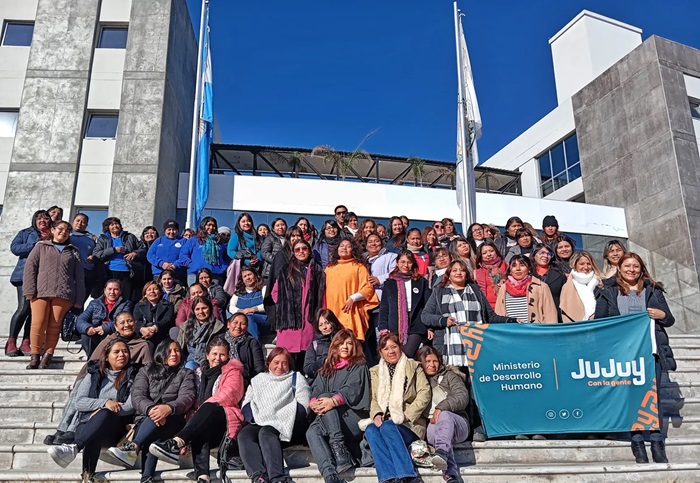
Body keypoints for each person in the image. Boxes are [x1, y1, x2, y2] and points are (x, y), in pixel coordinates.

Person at [594, 253, 675, 464]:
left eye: (636, 266)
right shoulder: (607, 291)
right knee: (631, 397)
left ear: (641, 269)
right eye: (627, 266)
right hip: (623, 353)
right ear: (619, 268)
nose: (631, 270)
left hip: (651, 352)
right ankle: (637, 441)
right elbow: (600, 323)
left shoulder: (653, 290)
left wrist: (662, 315)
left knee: (653, 396)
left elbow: (669, 319)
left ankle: (657, 441)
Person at [45, 312, 153, 447]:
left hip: (125, 379)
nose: (127, 325)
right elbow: (94, 363)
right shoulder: (108, 341)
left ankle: (72, 431)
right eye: (122, 322)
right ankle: (63, 429)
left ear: (135, 324)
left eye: (130, 321)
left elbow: (148, 369)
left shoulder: (143, 345)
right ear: (116, 326)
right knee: (81, 387)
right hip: (103, 375)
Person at [149, 338, 246, 483]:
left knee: (209, 407)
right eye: (214, 354)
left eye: (222, 355)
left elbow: (230, 394)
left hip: (225, 419)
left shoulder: (233, 372)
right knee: (200, 427)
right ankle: (203, 477)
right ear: (207, 355)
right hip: (204, 421)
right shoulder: (199, 374)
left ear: (228, 356)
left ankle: (176, 442)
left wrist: (203, 409)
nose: (218, 358)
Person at [47, 339, 138, 482]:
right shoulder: (94, 373)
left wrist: (102, 410)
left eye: (125, 351)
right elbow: (79, 402)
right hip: (87, 425)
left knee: (104, 415)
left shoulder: (134, 375)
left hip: (116, 430)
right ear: (106, 356)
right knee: (97, 424)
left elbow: (130, 406)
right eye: (116, 352)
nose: (122, 355)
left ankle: (76, 449)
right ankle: (87, 477)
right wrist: (105, 403)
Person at [107, 339, 196, 481]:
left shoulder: (186, 373)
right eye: (169, 351)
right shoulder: (145, 371)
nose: (174, 354)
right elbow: (137, 396)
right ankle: (146, 477)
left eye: (177, 350)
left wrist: (168, 408)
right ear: (161, 352)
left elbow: (187, 397)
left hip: (174, 419)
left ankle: (134, 449)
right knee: (154, 424)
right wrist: (152, 409)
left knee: (155, 423)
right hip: (146, 419)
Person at [361, 333, 430, 483]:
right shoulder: (374, 372)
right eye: (386, 349)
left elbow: (424, 393)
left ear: (400, 347)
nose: (391, 351)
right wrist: (376, 414)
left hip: (408, 425)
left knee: (387, 427)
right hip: (386, 422)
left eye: (394, 347)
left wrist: (406, 415)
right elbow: (372, 398)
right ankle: (389, 478)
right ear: (381, 352)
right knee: (371, 430)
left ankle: (408, 476)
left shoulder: (413, 366)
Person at [422, 260, 516, 364]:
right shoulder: (439, 292)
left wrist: (511, 320)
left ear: (466, 275)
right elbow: (425, 316)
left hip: (476, 348)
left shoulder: (476, 291)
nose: (458, 273)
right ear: (448, 275)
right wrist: (443, 320)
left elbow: (491, 317)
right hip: (449, 350)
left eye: (462, 270)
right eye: (454, 270)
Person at [239, 347, 311, 483]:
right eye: (276, 362)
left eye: (284, 363)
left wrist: (284, 417)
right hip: (260, 419)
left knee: (266, 432)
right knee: (244, 435)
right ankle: (259, 476)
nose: (280, 366)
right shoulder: (258, 380)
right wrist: (255, 418)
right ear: (269, 363)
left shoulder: (296, 378)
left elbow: (304, 405)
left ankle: (277, 477)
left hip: (286, 421)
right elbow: (246, 403)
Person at [306, 330, 370, 483]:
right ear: (334, 346)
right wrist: (313, 401)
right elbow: (316, 389)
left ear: (354, 346)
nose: (345, 347)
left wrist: (333, 401)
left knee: (326, 398)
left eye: (349, 343)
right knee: (312, 432)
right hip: (331, 419)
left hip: (353, 418)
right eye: (341, 343)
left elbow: (353, 389)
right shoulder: (327, 368)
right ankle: (330, 476)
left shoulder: (359, 366)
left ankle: (338, 446)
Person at [23, 220, 85, 369]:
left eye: (67, 230)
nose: (63, 232)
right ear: (52, 230)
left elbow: (79, 276)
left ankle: (47, 356)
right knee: (38, 324)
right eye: (60, 229)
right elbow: (30, 268)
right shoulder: (41, 246)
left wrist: (79, 298)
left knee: (54, 326)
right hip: (40, 292)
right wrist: (29, 290)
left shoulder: (73, 251)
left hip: (64, 293)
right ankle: (35, 356)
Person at [418, 346, 469, 483]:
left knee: (444, 416)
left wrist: (441, 408)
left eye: (435, 361)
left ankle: (441, 452)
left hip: (458, 424)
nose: (432, 364)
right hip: (433, 425)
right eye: (427, 361)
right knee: (440, 433)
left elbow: (462, 396)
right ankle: (451, 477)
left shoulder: (449, 376)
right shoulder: (418, 381)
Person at [5, 210, 51, 357]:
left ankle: (26, 342)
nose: (42, 220)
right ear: (34, 220)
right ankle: (11, 341)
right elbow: (15, 248)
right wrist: (35, 244)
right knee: (24, 308)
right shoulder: (26, 233)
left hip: (44, 277)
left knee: (35, 311)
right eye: (39, 218)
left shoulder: (53, 234)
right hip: (25, 275)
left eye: (45, 218)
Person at [273, 239, 325, 367]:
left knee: (306, 355)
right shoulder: (286, 270)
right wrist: (286, 306)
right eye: (297, 249)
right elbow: (275, 292)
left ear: (309, 251)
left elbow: (322, 294)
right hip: (289, 320)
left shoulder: (318, 271)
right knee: (287, 358)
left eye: (304, 248)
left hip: (309, 318)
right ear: (293, 252)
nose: (301, 251)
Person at [378, 251, 432, 357]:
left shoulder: (421, 282)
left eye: (409, 262)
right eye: (402, 262)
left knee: (406, 355)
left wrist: (430, 327)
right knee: (394, 356)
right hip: (394, 325)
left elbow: (428, 305)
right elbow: (384, 307)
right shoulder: (390, 283)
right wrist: (383, 327)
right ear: (397, 263)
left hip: (416, 324)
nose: (406, 265)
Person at [325, 239, 379, 343]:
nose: (344, 248)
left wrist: (353, 298)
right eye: (341, 245)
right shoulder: (329, 268)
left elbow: (368, 288)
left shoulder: (359, 267)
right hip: (332, 311)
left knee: (350, 342)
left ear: (353, 250)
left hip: (350, 311)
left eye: (348, 246)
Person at [77, 280, 133, 358]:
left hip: (114, 332)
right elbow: (81, 319)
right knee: (86, 335)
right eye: (109, 289)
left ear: (120, 292)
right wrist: (87, 328)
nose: (112, 292)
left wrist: (105, 328)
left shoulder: (126, 304)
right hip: (96, 333)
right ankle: (92, 358)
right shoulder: (94, 303)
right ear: (104, 290)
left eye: (115, 289)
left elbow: (123, 321)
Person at [93, 217, 144, 302]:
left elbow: (143, 248)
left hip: (127, 271)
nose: (115, 226)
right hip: (109, 271)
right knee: (109, 297)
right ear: (107, 227)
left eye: (116, 224)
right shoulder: (103, 238)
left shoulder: (129, 237)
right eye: (111, 224)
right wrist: (114, 250)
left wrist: (135, 253)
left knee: (125, 298)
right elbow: (96, 254)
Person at [495, 255, 558, 323]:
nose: (518, 269)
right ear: (510, 270)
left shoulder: (541, 287)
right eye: (514, 265)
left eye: (522, 265)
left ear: (529, 269)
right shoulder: (503, 288)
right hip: (510, 329)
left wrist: (550, 329)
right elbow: (499, 312)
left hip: (534, 328)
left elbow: (550, 314)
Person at [177, 297, 226, 370]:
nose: (201, 312)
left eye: (204, 308)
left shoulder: (218, 328)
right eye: (197, 309)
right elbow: (180, 346)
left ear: (210, 309)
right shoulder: (185, 327)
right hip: (188, 361)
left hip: (209, 363)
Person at [178, 216, 229, 286]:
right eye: (208, 225)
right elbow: (183, 255)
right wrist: (192, 265)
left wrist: (223, 267)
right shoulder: (194, 240)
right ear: (203, 225)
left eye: (213, 226)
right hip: (195, 273)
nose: (211, 227)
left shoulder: (219, 242)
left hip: (214, 274)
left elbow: (226, 257)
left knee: (214, 292)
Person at [559, 251, 603, 322]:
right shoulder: (567, 286)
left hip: (600, 322)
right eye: (582, 264)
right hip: (577, 325)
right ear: (575, 265)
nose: (586, 267)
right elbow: (566, 309)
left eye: (589, 264)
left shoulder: (600, 283)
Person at [225, 312, 266, 387]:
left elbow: (259, 367)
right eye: (235, 323)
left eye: (243, 324)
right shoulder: (220, 341)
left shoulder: (252, 342)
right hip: (222, 377)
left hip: (244, 379)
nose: (238, 326)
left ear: (247, 327)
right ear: (228, 324)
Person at [229, 267, 269, 340]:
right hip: (243, 322)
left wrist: (252, 309)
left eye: (249, 274)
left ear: (255, 276)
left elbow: (267, 304)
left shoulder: (263, 289)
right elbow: (231, 307)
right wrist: (241, 311)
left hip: (263, 321)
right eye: (245, 276)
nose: (247, 278)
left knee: (248, 318)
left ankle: (255, 342)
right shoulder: (238, 292)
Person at [133, 281, 175, 348]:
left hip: (162, 335)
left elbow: (167, 320)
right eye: (149, 290)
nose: (152, 291)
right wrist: (142, 329)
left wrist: (155, 327)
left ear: (160, 292)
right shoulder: (138, 306)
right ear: (145, 294)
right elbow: (136, 321)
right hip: (143, 336)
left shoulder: (168, 305)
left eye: (155, 289)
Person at [531, 244, 566, 321]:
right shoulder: (528, 275)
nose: (546, 256)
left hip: (554, 318)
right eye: (542, 253)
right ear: (534, 255)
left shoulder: (559, 276)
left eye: (549, 254)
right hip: (533, 318)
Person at [304, 309, 342, 379]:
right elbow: (307, 369)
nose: (324, 327)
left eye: (327, 323)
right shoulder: (314, 345)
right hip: (320, 381)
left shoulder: (342, 341)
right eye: (320, 325)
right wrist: (323, 361)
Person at [147, 219, 186, 284]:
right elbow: (150, 255)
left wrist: (175, 265)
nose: (171, 232)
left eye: (174, 229)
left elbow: (186, 256)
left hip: (177, 274)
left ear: (177, 230)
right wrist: (162, 264)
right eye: (169, 229)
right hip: (159, 274)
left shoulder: (183, 241)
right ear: (165, 231)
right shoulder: (159, 240)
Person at [70, 213, 98, 299]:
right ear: (73, 221)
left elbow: (97, 251)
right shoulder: (67, 234)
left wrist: (93, 256)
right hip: (70, 270)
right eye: (78, 220)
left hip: (86, 270)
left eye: (83, 222)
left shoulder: (91, 238)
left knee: (81, 298)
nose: (80, 223)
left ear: (86, 225)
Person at [473, 241, 507, 309]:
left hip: (506, 304)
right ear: (480, 256)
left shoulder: (507, 266)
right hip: (488, 308)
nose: (489, 254)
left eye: (491, 251)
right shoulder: (477, 272)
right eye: (484, 253)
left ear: (496, 252)